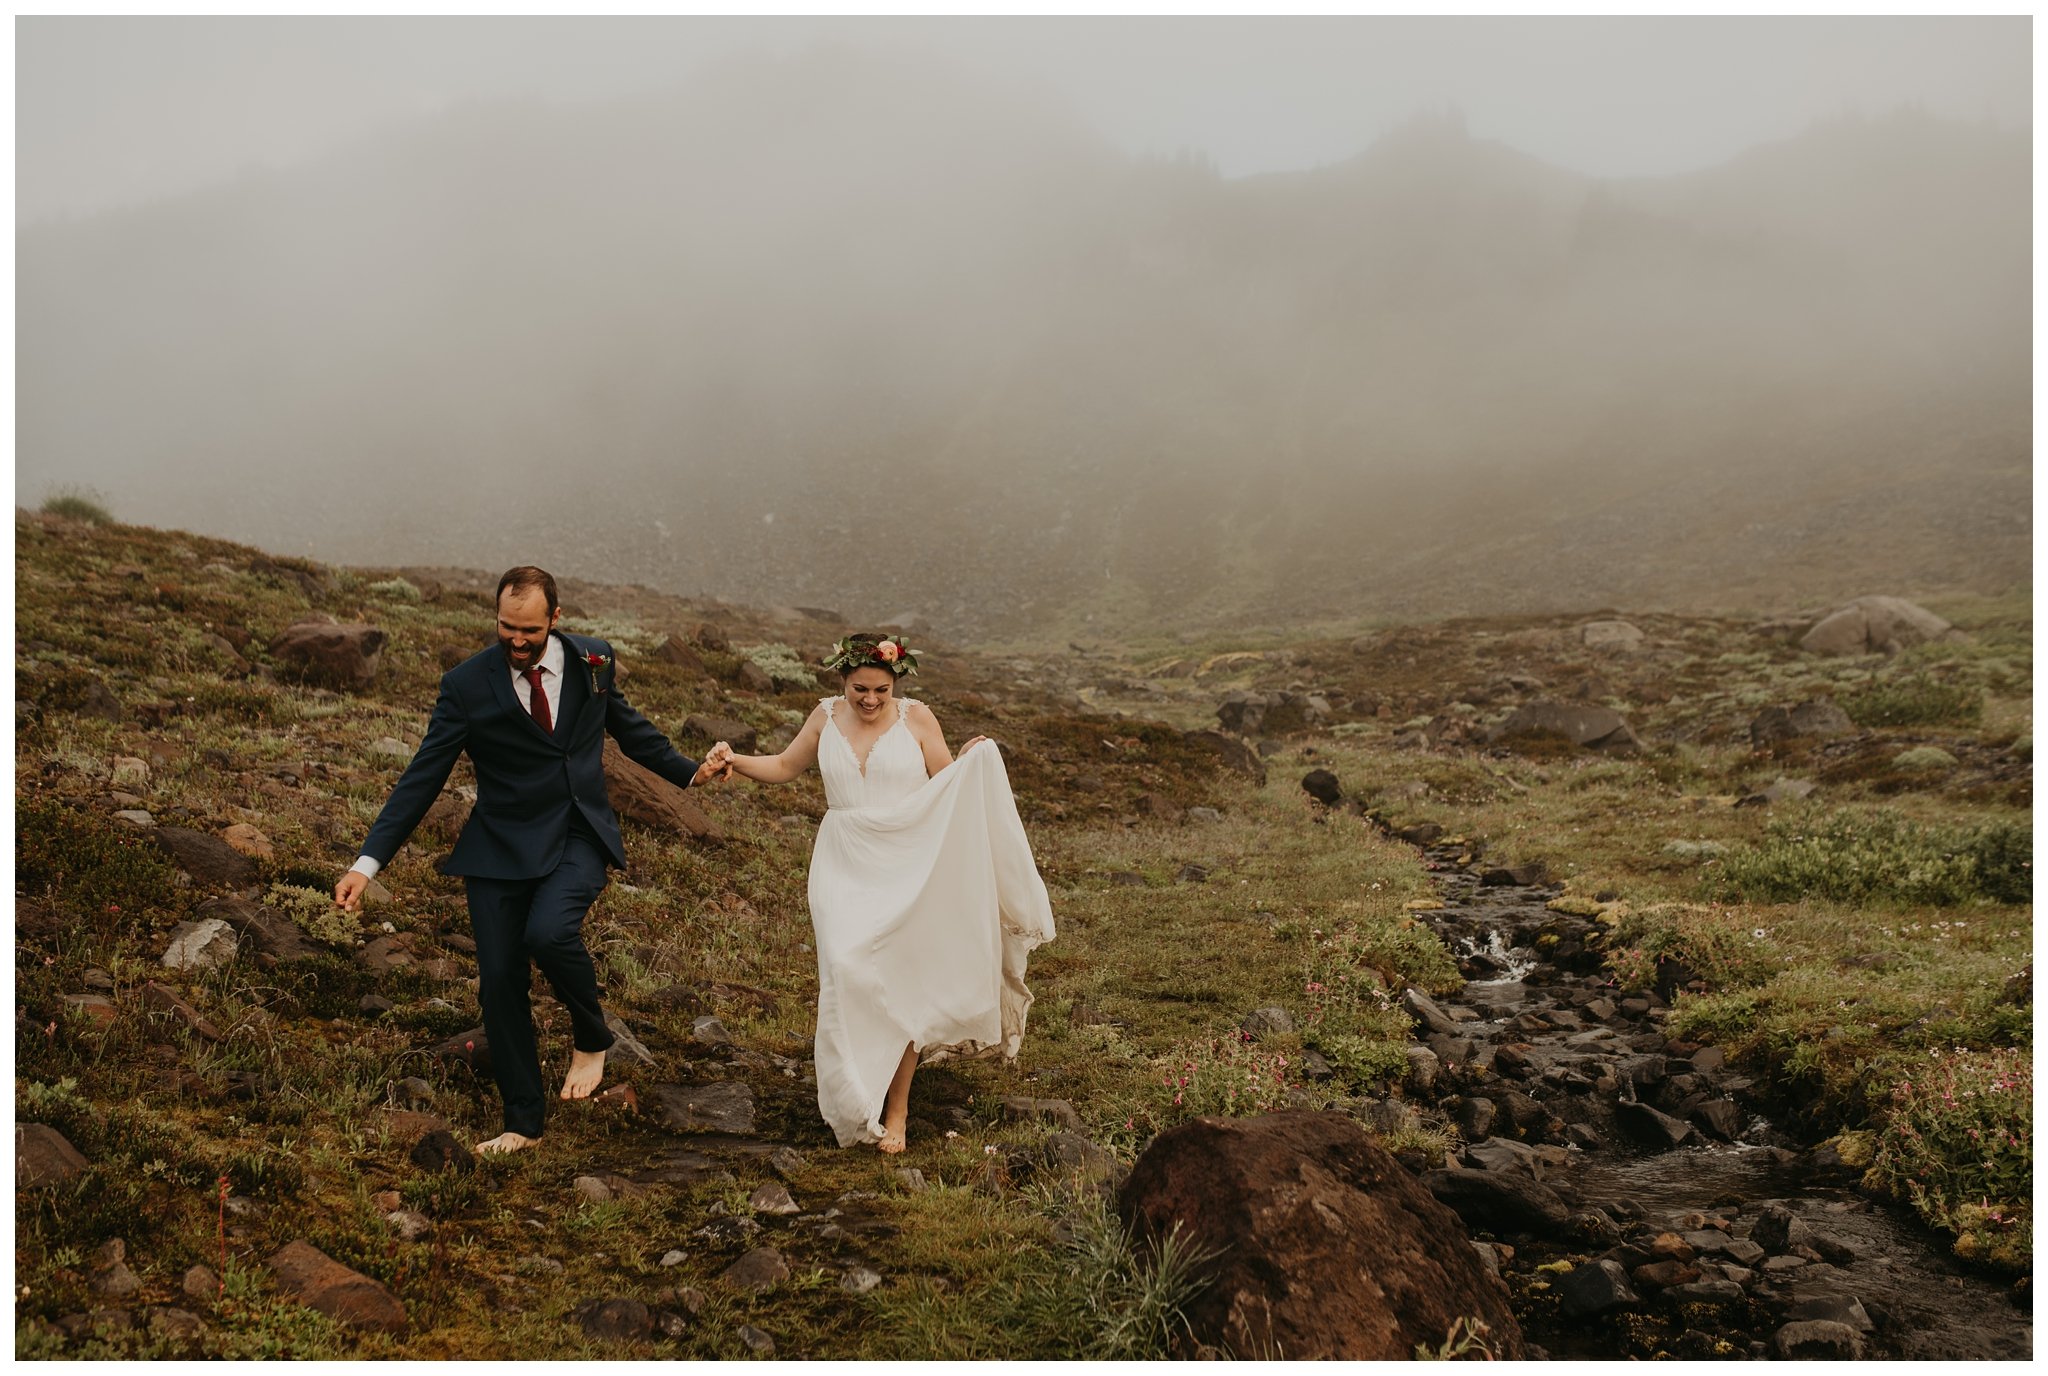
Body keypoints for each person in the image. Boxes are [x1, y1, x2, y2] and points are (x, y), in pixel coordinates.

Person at [334, 565, 724, 1155]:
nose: (516, 641)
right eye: (505, 628)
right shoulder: (465, 685)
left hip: (577, 833)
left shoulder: (595, 661)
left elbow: (629, 730)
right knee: (498, 984)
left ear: (555, 620)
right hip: (499, 848)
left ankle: (592, 1035)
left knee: (550, 932)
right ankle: (523, 1123)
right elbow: (422, 778)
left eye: (529, 631)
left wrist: (689, 771)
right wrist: (366, 865)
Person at [702, 633, 1054, 1153]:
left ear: (897, 683)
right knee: (846, 970)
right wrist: (736, 759)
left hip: (905, 859)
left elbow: (947, 782)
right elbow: (784, 766)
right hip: (842, 860)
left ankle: (897, 1108)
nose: (869, 700)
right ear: (841, 679)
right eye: (859, 689)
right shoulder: (824, 716)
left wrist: (968, 758)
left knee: (898, 978)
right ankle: (854, 1092)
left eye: (880, 691)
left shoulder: (917, 718)